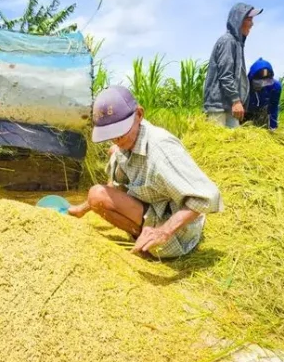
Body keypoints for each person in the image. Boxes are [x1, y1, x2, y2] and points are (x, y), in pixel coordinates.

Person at [68, 85, 224, 259]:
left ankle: (148, 244)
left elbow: (208, 196)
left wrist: (164, 231)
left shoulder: (161, 150)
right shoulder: (125, 145)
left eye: (120, 131)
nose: (116, 138)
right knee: (113, 156)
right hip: (152, 206)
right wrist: (83, 208)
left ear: (139, 114)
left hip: (177, 232)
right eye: (110, 133)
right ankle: (139, 231)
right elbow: (116, 186)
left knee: (97, 194)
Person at [203, 3, 263, 128]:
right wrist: (235, 100)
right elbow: (225, 75)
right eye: (249, 19)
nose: (252, 24)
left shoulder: (237, 44)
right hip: (219, 107)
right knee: (217, 144)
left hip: (229, 106)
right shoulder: (228, 41)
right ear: (238, 20)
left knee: (232, 144)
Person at [245, 58, 282, 130]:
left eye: (266, 82)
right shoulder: (244, 85)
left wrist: (273, 126)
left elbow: (274, 107)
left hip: (262, 111)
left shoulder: (275, 87)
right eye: (258, 83)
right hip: (245, 110)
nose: (262, 85)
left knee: (262, 127)